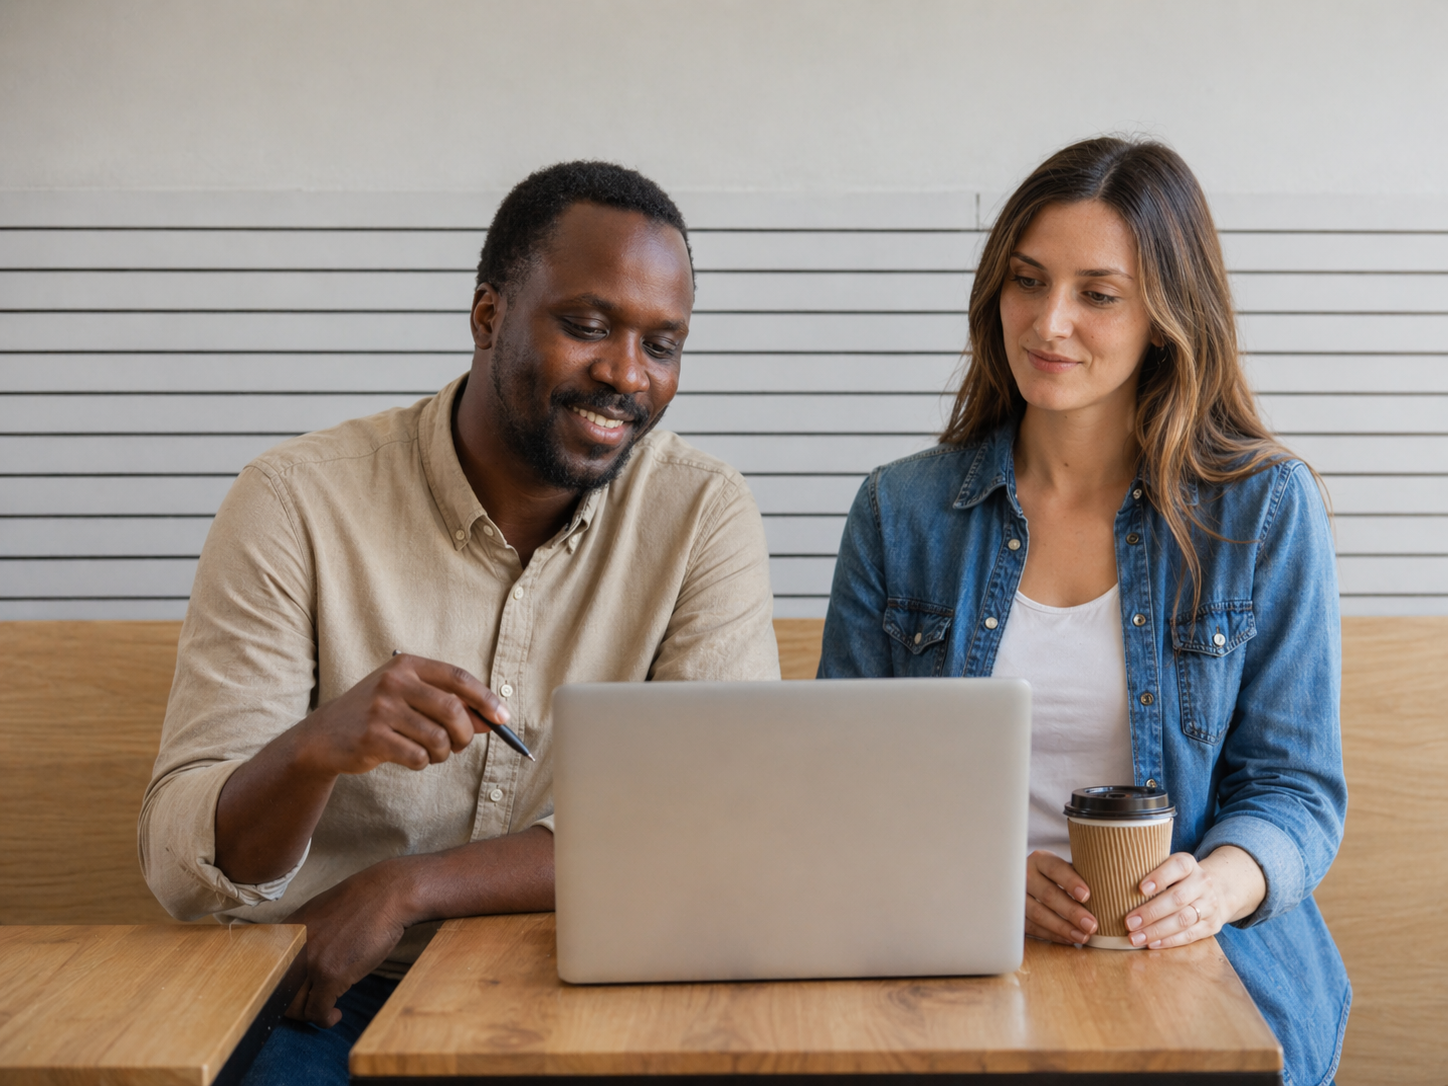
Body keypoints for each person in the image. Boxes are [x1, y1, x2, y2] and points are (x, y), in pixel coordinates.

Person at [139, 161, 779, 1085]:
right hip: (323, 988)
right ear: (488, 317)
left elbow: (709, 827)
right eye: (588, 326)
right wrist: (315, 749)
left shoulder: (702, 511)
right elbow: (183, 870)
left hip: (586, 982)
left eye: (662, 344)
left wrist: (406, 887)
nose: (624, 375)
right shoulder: (294, 503)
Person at [818, 137, 1348, 1086]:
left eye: (1097, 294)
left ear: (1165, 317)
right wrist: (977, 876)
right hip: (952, 956)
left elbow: (1297, 791)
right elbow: (842, 784)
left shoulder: (1262, 509)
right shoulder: (900, 513)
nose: (1048, 321)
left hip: (1202, 968)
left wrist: (1215, 888)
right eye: (1027, 281)